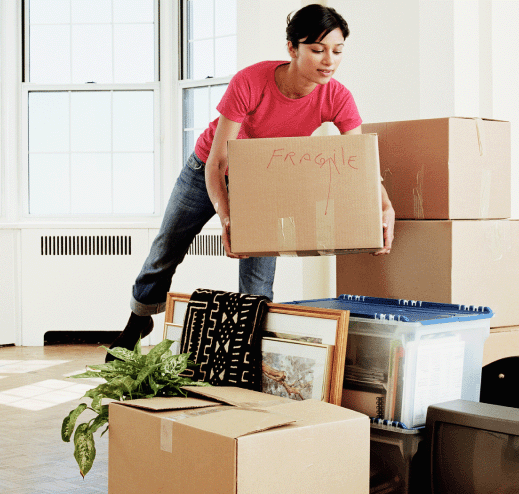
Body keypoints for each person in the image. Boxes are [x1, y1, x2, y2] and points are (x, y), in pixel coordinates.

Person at [106, 4, 395, 362]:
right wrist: (227, 218)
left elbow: (360, 165)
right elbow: (217, 162)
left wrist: (385, 205)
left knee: (258, 280)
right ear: (293, 48)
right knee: (167, 249)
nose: (329, 61)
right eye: (317, 50)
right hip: (207, 170)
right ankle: (138, 320)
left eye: (337, 51)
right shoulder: (251, 82)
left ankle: (246, 353)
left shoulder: (336, 96)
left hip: (263, 183)